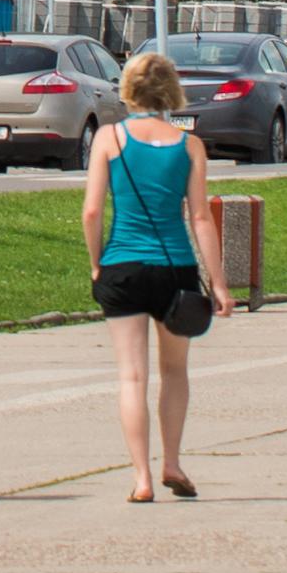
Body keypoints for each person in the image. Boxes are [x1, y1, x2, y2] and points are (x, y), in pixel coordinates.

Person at [81, 49, 210, 504]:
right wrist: (221, 283)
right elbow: (200, 218)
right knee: (175, 372)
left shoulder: (110, 140)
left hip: (124, 266)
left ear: (129, 89)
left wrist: (97, 262)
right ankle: (172, 461)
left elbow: (93, 210)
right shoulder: (189, 145)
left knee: (132, 377)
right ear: (171, 90)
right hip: (176, 269)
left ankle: (142, 478)